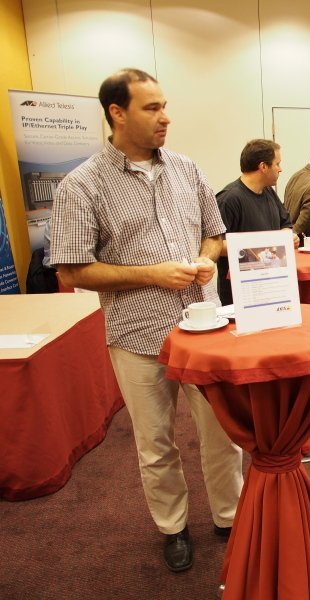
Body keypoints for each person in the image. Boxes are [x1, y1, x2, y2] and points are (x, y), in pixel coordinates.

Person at [49, 68, 243, 573]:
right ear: (117, 113)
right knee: (155, 443)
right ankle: (173, 528)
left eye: (164, 105)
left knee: (223, 433)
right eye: (152, 108)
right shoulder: (81, 185)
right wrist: (153, 274)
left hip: (205, 329)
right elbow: (72, 270)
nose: (166, 117)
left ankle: (230, 517)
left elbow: (215, 234)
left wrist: (205, 258)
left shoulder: (187, 169)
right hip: (137, 336)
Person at [216, 139, 297, 305]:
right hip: (241, 293)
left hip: (271, 285)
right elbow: (215, 246)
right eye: (277, 164)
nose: (280, 169)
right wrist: (262, 244)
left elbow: (286, 225)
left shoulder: (269, 192)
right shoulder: (229, 199)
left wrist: (287, 238)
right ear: (263, 166)